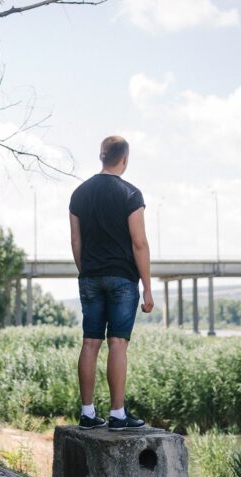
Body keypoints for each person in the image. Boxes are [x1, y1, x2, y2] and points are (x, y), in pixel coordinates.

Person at [69, 135, 154, 431]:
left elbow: (76, 240)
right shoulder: (131, 194)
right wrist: (147, 287)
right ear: (125, 159)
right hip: (122, 279)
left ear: (101, 156)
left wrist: (87, 272)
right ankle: (118, 415)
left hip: (90, 276)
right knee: (117, 343)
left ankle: (87, 413)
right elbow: (139, 243)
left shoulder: (79, 193)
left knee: (90, 342)